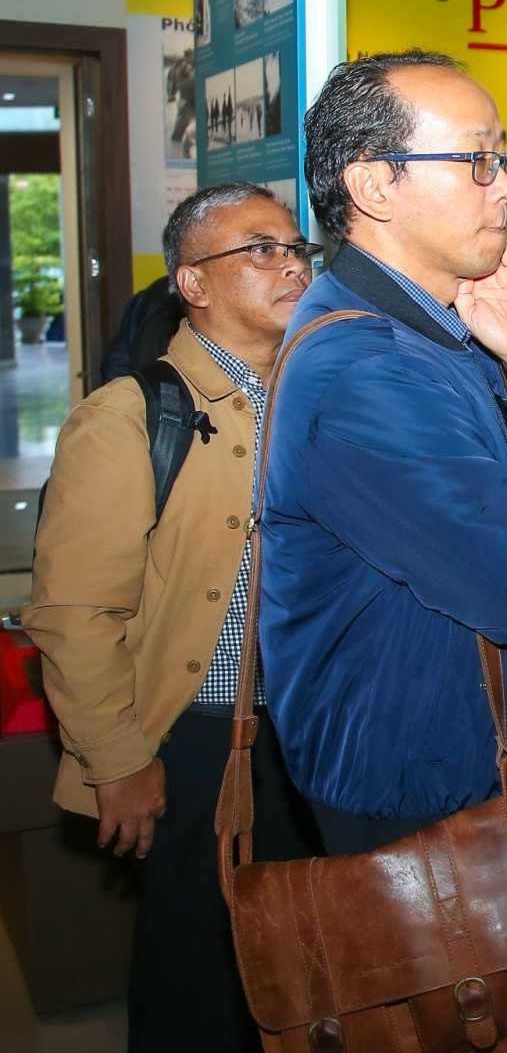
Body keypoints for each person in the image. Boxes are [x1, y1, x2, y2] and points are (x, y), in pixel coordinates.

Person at [260, 51, 507, 903]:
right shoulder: (365, 367)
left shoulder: (436, 328)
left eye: (506, 161)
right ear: (374, 185)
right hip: (429, 795)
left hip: (482, 769)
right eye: (477, 161)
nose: (505, 188)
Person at [26, 182, 321, 1051]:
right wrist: (117, 760)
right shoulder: (128, 416)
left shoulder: (321, 399)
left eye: (295, 247)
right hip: (198, 742)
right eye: (259, 249)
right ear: (192, 283)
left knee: (314, 968)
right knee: (199, 978)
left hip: (316, 734)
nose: (290, 263)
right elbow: (75, 611)